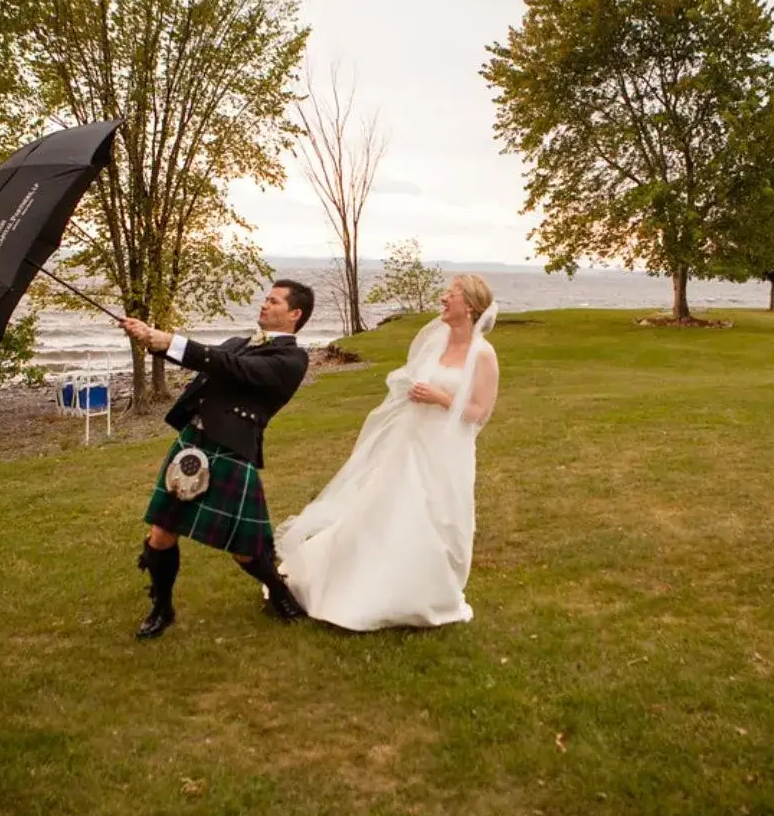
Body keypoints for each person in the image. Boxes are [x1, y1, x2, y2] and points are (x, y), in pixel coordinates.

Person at [273, 274, 500, 631]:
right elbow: (412, 380)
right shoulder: (437, 342)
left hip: (447, 450)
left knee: (438, 519)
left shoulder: (483, 354)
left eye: (451, 294)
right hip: (410, 443)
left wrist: (439, 398)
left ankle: (426, 593)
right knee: (390, 511)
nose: (443, 298)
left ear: (469, 305)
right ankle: (363, 584)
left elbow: (479, 412)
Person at [119, 280, 315, 640]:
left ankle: (280, 594)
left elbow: (230, 367)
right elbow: (214, 359)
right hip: (192, 442)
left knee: (245, 549)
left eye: (273, 301)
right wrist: (151, 339)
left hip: (230, 450)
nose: (264, 304)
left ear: (294, 314)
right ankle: (162, 608)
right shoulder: (240, 342)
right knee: (161, 533)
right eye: (265, 298)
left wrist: (170, 340)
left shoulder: (292, 360)